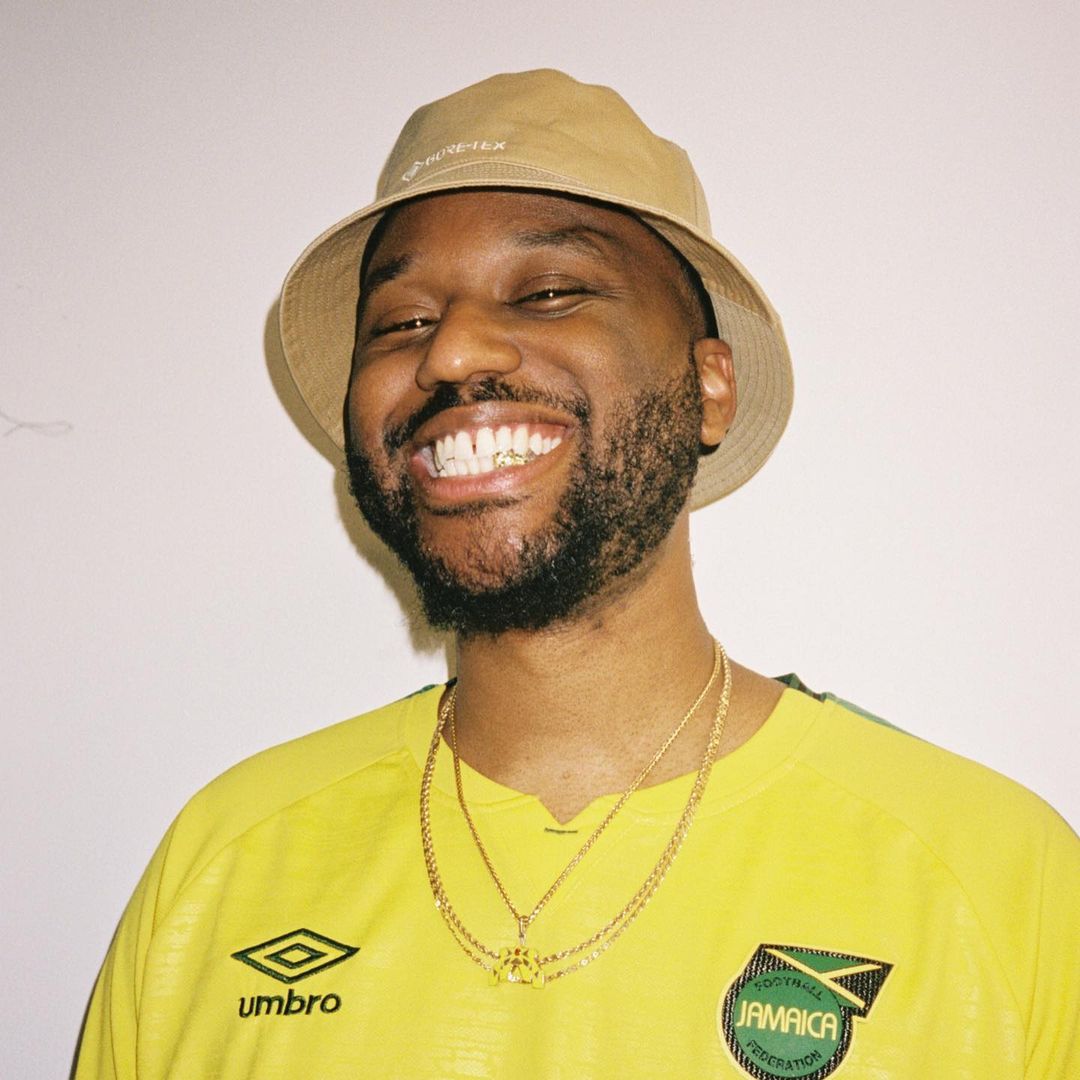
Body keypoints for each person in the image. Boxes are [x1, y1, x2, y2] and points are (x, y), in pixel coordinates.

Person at [74, 70, 1078, 1080]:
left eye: (549, 293)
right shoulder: (225, 864)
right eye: (402, 321)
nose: (451, 353)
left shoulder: (998, 879)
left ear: (709, 388)